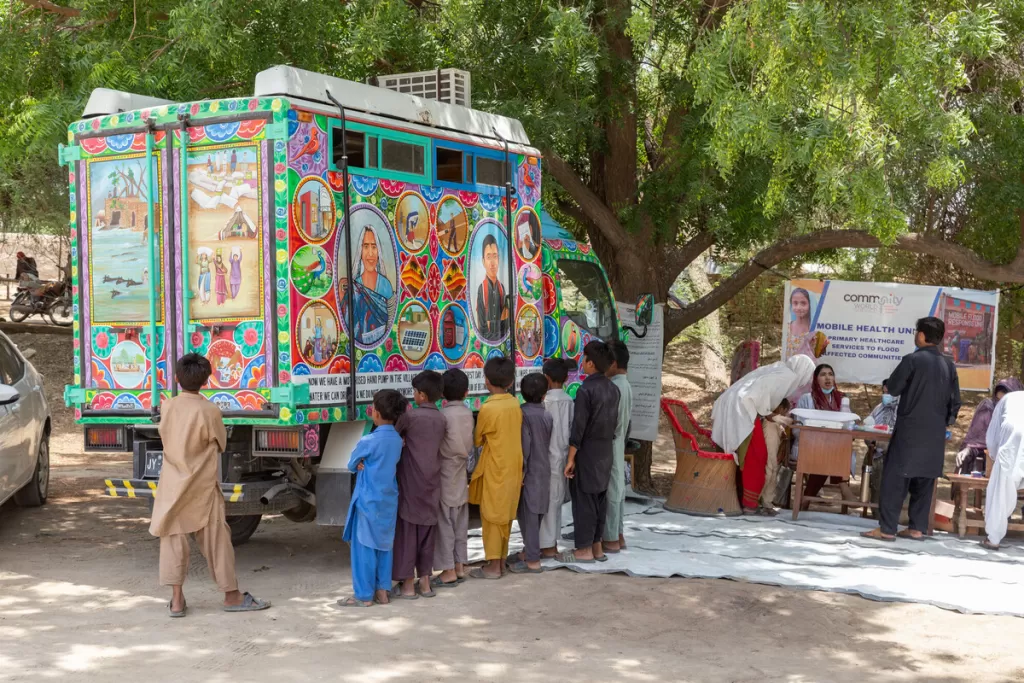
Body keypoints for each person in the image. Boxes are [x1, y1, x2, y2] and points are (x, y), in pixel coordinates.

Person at [149, 353, 270, 617]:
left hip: (171, 485)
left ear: (177, 378)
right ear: (206, 380)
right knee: (217, 540)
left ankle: (177, 600)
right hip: (201, 486)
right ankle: (231, 595)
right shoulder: (210, 410)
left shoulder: (167, 406)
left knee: (172, 540)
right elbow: (220, 443)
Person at [862, 317, 961, 542]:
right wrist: (945, 422)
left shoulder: (912, 360)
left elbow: (894, 387)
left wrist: (890, 382)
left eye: (917, 332)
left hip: (909, 431)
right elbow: (955, 403)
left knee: (895, 479)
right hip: (935, 434)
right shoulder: (949, 364)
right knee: (924, 480)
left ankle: (887, 528)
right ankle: (917, 528)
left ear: (922, 336)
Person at [712, 355, 816, 512]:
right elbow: (758, 396)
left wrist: (775, 416)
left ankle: (749, 501)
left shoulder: (780, 369)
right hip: (743, 409)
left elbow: (762, 395)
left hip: (741, 407)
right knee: (756, 456)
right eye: (808, 374)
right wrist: (776, 417)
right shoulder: (786, 375)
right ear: (803, 370)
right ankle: (749, 504)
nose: (807, 379)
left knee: (754, 456)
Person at [337, 389, 407, 607]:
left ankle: (364, 595)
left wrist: (360, 464)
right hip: (388, 500)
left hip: (367, 500)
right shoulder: (397, 439)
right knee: (384, 546)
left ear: (375, 413)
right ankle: (383, 591)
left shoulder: (368, 440)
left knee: (363, 548)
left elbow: (350, 464)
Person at [561, 341, 620, 564]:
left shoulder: (586, 390)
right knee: (600, 499)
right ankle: (597, 547)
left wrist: (570, 458)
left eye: (584, 358)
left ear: (591, 363)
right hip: (606, 450)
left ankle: (583, 549)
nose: (581, 362)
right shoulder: (613, 389)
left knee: (584, 500)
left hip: (587, 451)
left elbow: (579, 428)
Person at [392, 371, 446, 599]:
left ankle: (406, 585)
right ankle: (425, 583)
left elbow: (393, 436)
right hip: (433, 482)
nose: (413, 395)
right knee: (426, 533)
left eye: (414, 392)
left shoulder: (411, 417)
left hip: (410, 483)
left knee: (407, 534)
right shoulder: (441, 419)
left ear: (421, 395)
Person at [469, 357, 523, 579]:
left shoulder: (488, 409)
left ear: (486, 381)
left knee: (491, 515)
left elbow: (478, 440)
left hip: (495, 466)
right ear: (511, 382)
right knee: (506, 514)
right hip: (513, 465)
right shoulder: (514, 404)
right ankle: (500, 560)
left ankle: (493, 566)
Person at [793, 364, 857, 507]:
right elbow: (797, 428)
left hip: (834, 445)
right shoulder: (807, 399)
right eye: (823, 375)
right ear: (816, 379)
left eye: (830, 374)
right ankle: (843, 486)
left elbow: (849, 425)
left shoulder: (841, 399)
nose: (828, 378)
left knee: (830, 453)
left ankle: (806, 500)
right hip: (809, 444)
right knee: (827, 453)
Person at [432, 369, 474, 588]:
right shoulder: (468, 413)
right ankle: (459, 565)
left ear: (441, 394)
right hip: (461, 469)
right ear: (466, 393)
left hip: (445, 469)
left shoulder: (443, 416)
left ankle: (448, 569)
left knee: (444, 520)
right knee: (460, 518)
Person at [508, 373, 553, 574]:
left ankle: (533, 560)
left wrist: (522, 472)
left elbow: (525, 446)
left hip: (530, 471)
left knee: (528, 515)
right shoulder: (547, 414)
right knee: (538, 512)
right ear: (544, 395)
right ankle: (529, 551)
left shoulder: (522, 414)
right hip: (544, 469)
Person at [540, 358, 574, 558]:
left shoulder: (546, 402)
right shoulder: (569, 400)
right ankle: (551, 542)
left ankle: (548, 545)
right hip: (563, 457)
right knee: (557, 499)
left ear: (546, 378)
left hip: (547, 457)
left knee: (547, 503)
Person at [981, 391, 1024, 550]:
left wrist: (993, 455)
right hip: (1014, 438)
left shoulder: (1007, 398)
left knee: (1001, 491)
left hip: (1011, 440)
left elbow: (992, 435)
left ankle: (993, 539)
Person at [956, 378, 1023, 475]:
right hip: (988, 463)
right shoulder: (987, 410)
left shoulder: (1020, 415)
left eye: (1004, 401)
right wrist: (968, 450)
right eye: (998, 400)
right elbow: (977, 442)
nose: (1000, 405)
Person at [341, 226, 394, 346]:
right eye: (366, 246)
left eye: (374, 247)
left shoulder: (386, 286)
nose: (370, 253)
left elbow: (391, 324)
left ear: (379, 251)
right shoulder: (354, 289)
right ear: (360, 251)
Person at [603, 339, 633, 552]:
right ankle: (618, 534)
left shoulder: (614, 387)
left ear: (612, 364)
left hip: (610, 443)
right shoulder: (625, 385)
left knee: (612, 491)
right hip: (619, 441)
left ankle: (611, 538)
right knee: (617, 489)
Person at [759, 399, 793, 515]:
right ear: (780, 408)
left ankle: (767, 503)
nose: (784, 414)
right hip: (768, 454)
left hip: (773, 454)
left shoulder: (776, 424)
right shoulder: (769, 421)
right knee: (768, 474)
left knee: (772, 473)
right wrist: (785, 420)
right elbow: (771, 418)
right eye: (785, 411)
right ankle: (759, 502)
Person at [475, 234, 508, 339]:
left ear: (498, 259)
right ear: (483, 261)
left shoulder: (502, 288)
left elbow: (506, 322)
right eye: (489, 257)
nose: (492, 263)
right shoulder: (482, 289)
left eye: (495, 256)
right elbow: (482, 327)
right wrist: (496, 325)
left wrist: (492, 324)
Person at [785, 288, 813, 359]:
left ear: (810, 305)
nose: (799, 307)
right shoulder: (787, 328)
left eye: (803, 303)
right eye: (795, 303)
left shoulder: (814, 329)